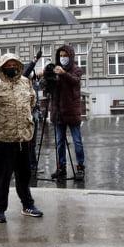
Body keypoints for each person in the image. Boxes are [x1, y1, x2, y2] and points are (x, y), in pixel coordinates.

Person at [0, 53, 44, 223]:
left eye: (14, 64)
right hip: (3, 139)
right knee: (2, 176)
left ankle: (27, 205)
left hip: (24, 137)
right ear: (2, 66)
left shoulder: (25, 82)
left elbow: (31, 101)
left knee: (24, 174)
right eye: (8, 64)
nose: (12, 67)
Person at [44, 45, 86, 180]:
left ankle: (80, 167)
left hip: (72, 111)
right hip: (58, 112)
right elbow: (48, 88)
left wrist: (64, 73)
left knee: (77, 141)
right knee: (59, 142)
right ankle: (61, 168)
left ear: (70, 56)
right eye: (61, 56)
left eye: (65, 56)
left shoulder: (77, 69)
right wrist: (47, 76)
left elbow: (75, 81)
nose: (63, 58)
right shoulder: (55, 69)